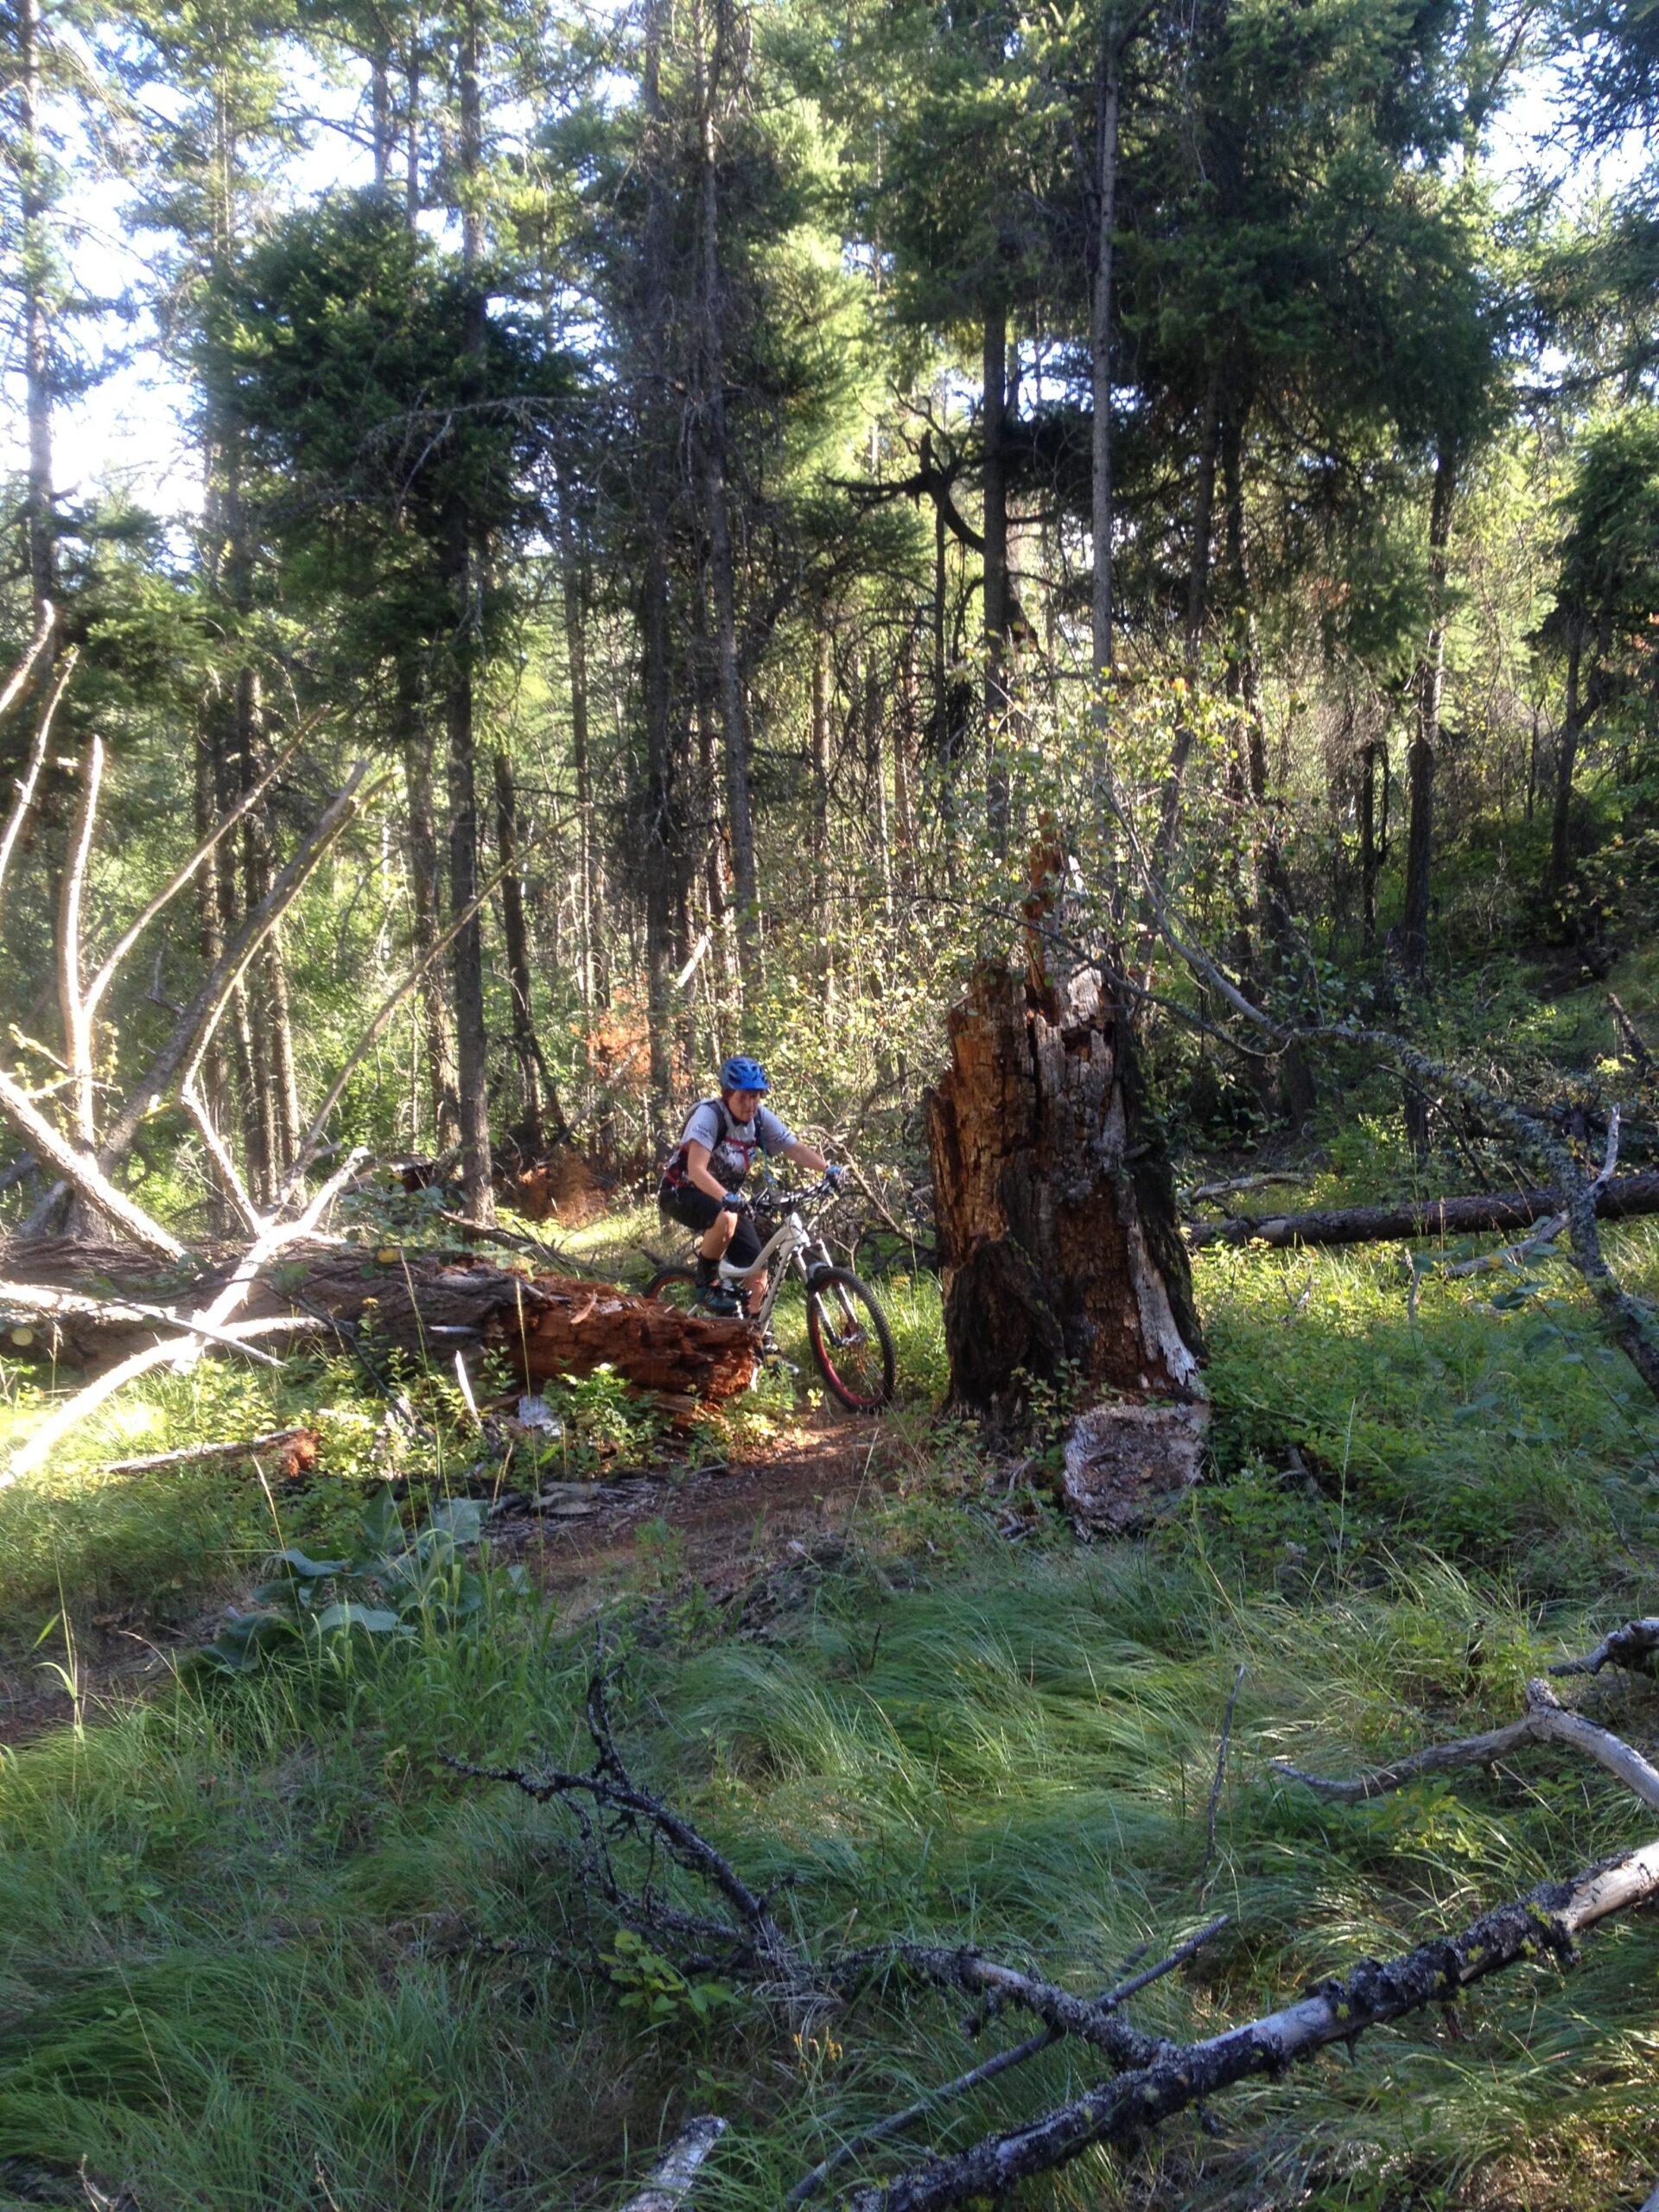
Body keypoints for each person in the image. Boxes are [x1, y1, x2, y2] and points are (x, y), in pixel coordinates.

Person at [658, 1056, 842, 1313]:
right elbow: (696, 1170)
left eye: (755, 1096)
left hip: (725, 1202)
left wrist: (827, 1168)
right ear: (728, 1095)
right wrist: (727, 1198)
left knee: (758, 1268)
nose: (750, 1103)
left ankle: (759, 1339)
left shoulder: (759, 1120)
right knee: (726, 1217)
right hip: (680, 1192)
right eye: (743, 1097)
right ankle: (706, 1286)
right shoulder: (709, 1116)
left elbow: (794, 1148)